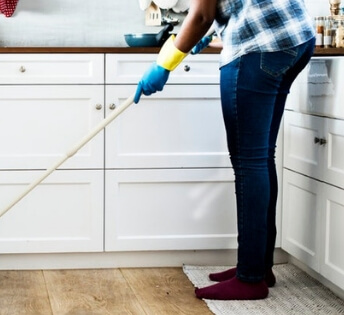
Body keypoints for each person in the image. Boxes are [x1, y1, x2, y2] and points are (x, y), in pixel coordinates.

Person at [135, 0, 316, 300]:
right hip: (294, 39)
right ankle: (258, 265)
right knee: (260, 157)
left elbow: (202, 13)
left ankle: (250, 279)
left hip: (260, 46)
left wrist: (163, 64)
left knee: (249, 162)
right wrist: (216, 27)